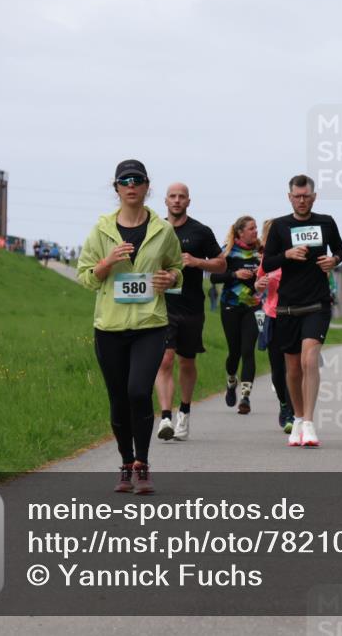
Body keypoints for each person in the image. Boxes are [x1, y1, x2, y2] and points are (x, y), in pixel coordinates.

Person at [76, 159, 183, 493]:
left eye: (137, 180)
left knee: (139, 391)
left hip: (150, 324)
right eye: (125, 181)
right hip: (109, 327)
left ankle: (143, 464)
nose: (131, 186)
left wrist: (172, 278)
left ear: (147, 186)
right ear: (117, 188)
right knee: (119, 398)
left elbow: (177, 268)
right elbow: (86, 277)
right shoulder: (101, 230)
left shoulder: (163, 230)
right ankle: (125, 463)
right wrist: (107, 262)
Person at [262, 174, 342, 447]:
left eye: (306, 196)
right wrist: (287, 255)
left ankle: (309, 422)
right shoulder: (279, 226)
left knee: (310, 360)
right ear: (289, 197)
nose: (301, 200)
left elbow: (341, 250)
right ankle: (297, 417)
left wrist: (333, 260)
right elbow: (268, 261)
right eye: (297, 196)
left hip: (317, 303)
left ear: (314, 196)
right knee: (294, 368)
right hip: (288, 304)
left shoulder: (326, 222)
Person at [155, 182, 226, 442]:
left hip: (192, 306)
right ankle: (164, 416)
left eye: (181, 197)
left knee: (187, 361)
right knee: (165, 359)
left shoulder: (200, 231)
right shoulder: (155, 229)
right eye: (172, 196)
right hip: (163, 306)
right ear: (165, 201)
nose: (176, 200)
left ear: (188, 201)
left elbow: (221, 264)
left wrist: (197, 262)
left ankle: (184, 411)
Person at [210, 216, 263, 415]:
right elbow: (214, 276)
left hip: (254, 306)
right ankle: (231, 381)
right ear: (240, 232)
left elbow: (273, 272)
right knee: (235, 352)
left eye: (256, 227)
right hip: (231, 306)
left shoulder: (261, 252)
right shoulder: (228, 251)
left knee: (248, 350)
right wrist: (235, 274)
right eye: (251, 228)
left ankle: (246, 397)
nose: (256, 231)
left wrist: (262, 274)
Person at [255, 219, 295, 433]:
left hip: (294, 315)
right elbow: (258, 282)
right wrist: (258, 284)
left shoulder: (295, 255)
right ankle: (283, 403)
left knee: (292, 367)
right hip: (272, 315)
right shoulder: (268, 259)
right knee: (277, 370)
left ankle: (291, 411)